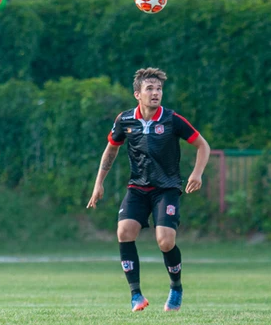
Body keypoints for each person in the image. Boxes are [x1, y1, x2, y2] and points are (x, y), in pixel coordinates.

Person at [87, 67, 211, 312]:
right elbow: (111, 149)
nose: (156, 93)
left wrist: (197, 173)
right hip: (138, 188)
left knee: (165, 241)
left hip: (167, 189)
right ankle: (136, 295)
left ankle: (176, 287)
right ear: (137, 94)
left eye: (159, 89)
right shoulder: (125, 120)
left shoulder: (171, 119)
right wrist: (98, 183)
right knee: (124, 231)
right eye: (150, 89)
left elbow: (202, 145)